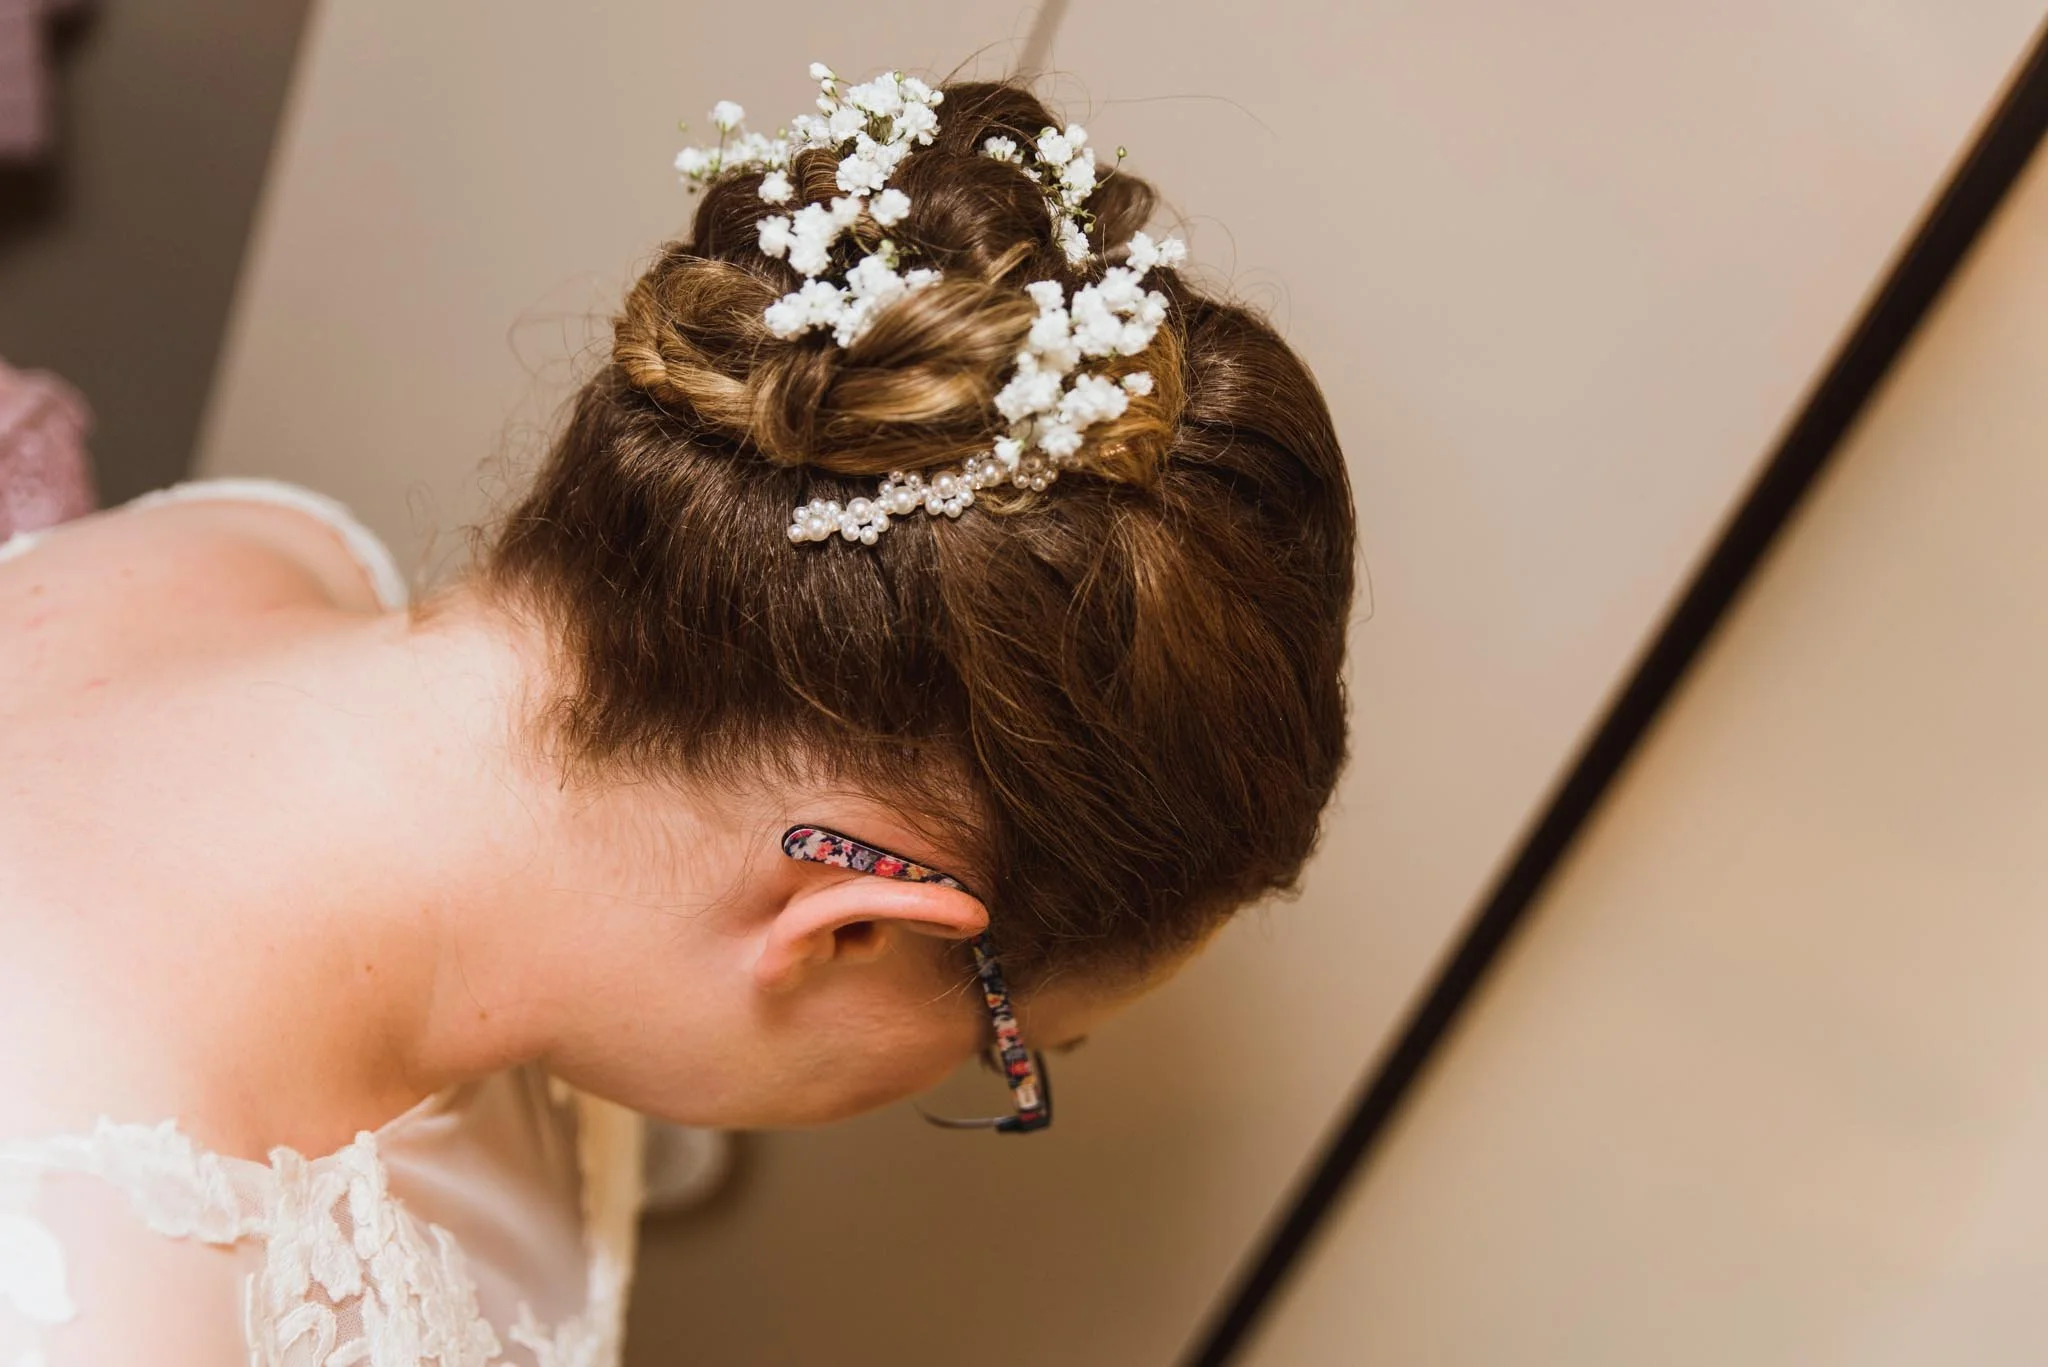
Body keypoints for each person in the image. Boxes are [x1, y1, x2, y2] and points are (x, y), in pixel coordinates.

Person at [0, 68, 1354, 1365]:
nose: (1008, 1065)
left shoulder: (274, 550)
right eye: (1015, 1051)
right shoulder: (74, 1298)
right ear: (859, 923)